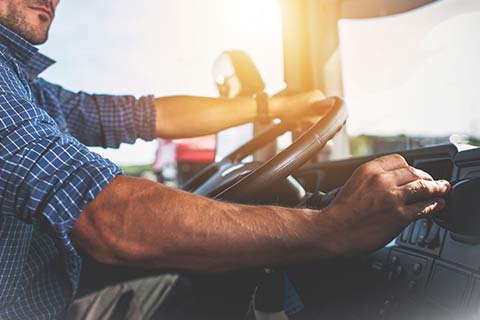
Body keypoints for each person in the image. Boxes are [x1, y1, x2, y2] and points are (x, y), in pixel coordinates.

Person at [0, 0, 451, 319]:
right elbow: (107, 216)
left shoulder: (29, 88)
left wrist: (272, 108)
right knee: (231, 273)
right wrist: (331, 227)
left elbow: (136, 114)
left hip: (50, 296)